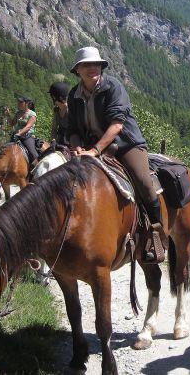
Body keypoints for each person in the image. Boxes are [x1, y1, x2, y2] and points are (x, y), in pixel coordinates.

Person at [66, 46, 164, 263]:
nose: (93, 68)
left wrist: (94, 150)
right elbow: (72, 128)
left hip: (125, 144)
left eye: (96, 64)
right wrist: (76, 148)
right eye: (87, 65)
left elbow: (117, 124)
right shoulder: (74, 95)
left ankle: (157, 234)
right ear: (78, 70)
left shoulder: (113, 87)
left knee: (144, 183)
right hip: (92, 147)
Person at [4, 96, 39, 167]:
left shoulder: (32, 114)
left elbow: (28, 126)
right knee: (4, 149)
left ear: (27, 103)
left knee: (33, 153)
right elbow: (11, 124)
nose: (18, 104)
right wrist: (8, 115)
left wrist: (19, 134)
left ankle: (36, 167)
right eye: (18, 102)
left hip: (27, 136)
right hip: (16, 136)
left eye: (21, 102)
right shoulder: (18, 113)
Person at [48, 82, 70, 146]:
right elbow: (54, 129)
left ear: (58, 97)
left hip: (72, 144)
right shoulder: (56, 110)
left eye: (52, 96)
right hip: (59, 142)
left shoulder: (72, 110)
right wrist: (53, 140)